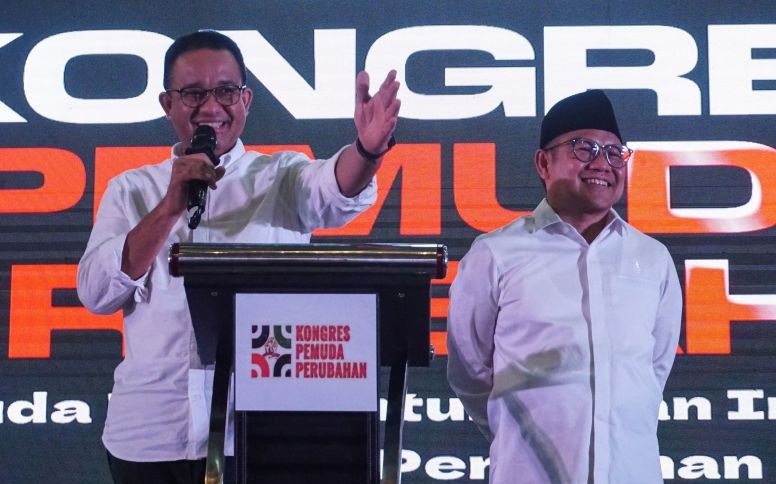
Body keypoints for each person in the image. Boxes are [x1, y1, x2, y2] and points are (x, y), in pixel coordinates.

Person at [77, 30, 400, 484]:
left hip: (254, 433)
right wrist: (169, 207)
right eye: (193, 94)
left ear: (245, 100)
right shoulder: (132, 189)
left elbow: (337, 187)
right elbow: (96, 293)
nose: (211, 107)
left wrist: (367, 150)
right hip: (150, 433)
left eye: (226, 91)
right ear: (167, 104)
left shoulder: (281, 175)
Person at [446, 89, 682, 483]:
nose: (602, 163)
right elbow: (469, 371)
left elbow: (653, 371)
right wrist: (519, 431)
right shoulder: (496, 254)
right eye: (584, 148)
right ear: (544, 162)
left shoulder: (652, 258)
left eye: (614, 153)